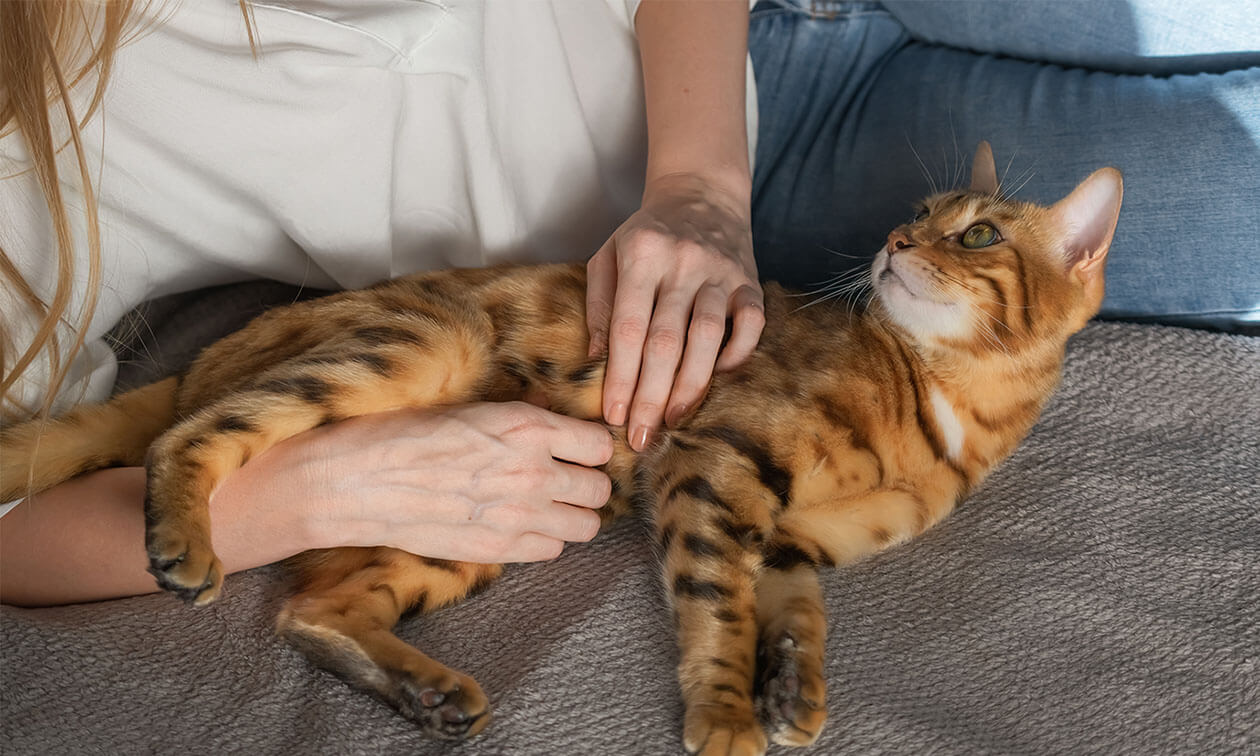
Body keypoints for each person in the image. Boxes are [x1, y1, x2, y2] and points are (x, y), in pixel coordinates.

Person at [2, 0, 1256, 606]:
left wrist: (699, 186)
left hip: (744, 74)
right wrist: (301, 492)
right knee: (1237, 194)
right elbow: (12, 526)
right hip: (837, 218)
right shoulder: (44, 131)